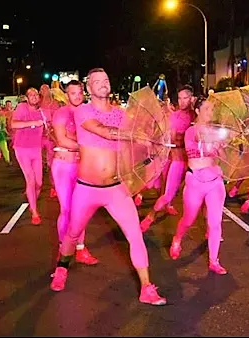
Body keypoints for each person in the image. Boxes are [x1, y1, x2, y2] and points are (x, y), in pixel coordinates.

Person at [49, 68, 166, 306]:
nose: (103, 84)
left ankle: (146, 287)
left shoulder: (122, 114)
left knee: (135, 236)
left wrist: (150, 146)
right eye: (97, 81)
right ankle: (62, 267)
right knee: (73, 233)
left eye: (106, 80)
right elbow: (103, 131)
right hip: (87, 188)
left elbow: (133, 145)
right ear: (88, 88)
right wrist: (131, 135)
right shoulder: (83, 111)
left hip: (116, 189)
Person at [169, 96, 229, 275]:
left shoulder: (215, 132)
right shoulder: (191, 131)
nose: (211, 113)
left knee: (215, 222)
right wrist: (216, 140)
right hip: (195, 181)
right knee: (188, 219)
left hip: (215, 182)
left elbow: (224, 158)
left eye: (212, 109)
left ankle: (214, 260)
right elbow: (198, 144)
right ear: (197, 111)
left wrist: (223, 146)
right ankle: (177, 238)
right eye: (207, 109)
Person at [51, 80, 98, 264]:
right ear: (66, 94)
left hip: (82, 165)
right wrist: (85, 146)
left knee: (81, 208)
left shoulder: (88, 113)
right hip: (64, 166)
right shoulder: (61, 113)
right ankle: (63, 247)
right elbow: (62, 140)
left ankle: (80, 248)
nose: (77, 96)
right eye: (73, 93)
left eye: (80, 92)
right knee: (67, 208)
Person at [140, 85, 194, 231]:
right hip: (176, 159)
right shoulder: (175, 117)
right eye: (180, 98)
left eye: (185, 98)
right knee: (167, 191)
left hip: (192, 163)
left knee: (174, 191)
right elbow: (170, 138)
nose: (182, 102)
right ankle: (150, 217)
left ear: (192, 98)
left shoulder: (196, 116)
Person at [11, 88, 45, 224]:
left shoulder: (41, 111)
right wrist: (32, 123)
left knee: (39, 183)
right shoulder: (22, 107)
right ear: (26, 97)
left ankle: (32, 202)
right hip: (22, 149)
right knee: (30, 179)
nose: (34, 96)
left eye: (36, 94)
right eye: (31, 95)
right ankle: (35, 212)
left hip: (36, 149)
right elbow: (13, 124)